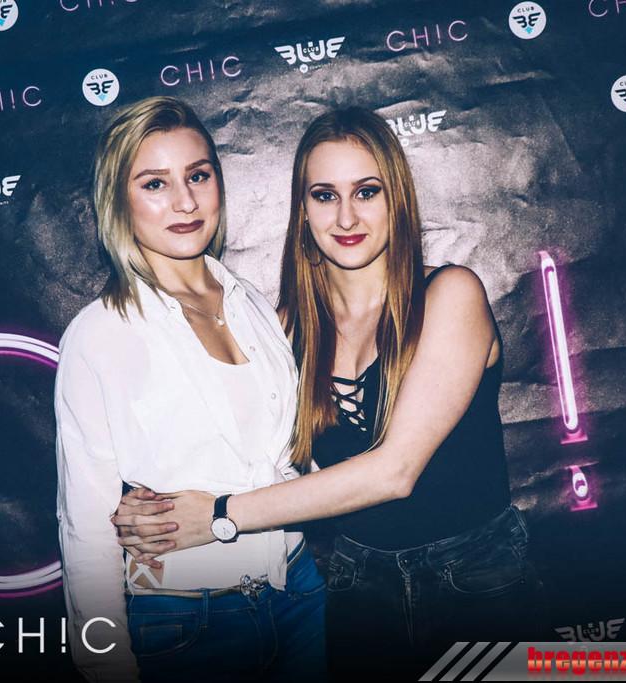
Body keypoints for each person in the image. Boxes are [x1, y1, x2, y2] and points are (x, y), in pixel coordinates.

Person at [113, 107, 546, 679]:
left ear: (397, 199)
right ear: (303, 209)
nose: (346, 216)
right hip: (356, 587)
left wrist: (217, 515)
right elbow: (256, 456)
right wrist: (156, 507)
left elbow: (394, 471)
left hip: (476, 578)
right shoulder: (285, 330)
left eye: (367, 191)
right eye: (324, 195)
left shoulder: (450, 294)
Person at [54, 96, 326, 683]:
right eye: (155, 183)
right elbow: (86, 530)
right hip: (186, 621)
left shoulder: (255, 306)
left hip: (301, 592)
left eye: (198, 175)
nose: (185, 201)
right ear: (118, 200)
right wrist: (105, 665)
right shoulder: (100, 334)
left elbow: (292, 461)